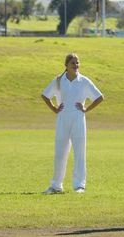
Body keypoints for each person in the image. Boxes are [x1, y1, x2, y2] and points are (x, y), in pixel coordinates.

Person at [41, 53, 104, 194]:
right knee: (60, 153)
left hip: (78, 119)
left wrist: (86, 109)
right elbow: (45, 95)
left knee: (80, 152)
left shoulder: (84, 81)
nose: (76, 66)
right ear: (66, 66)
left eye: (77, 63)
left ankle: (79, 185)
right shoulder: (59, 80)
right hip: (62, 119)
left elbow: (100, 97)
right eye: (73, 63)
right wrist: (53, 108)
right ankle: (56, 186)